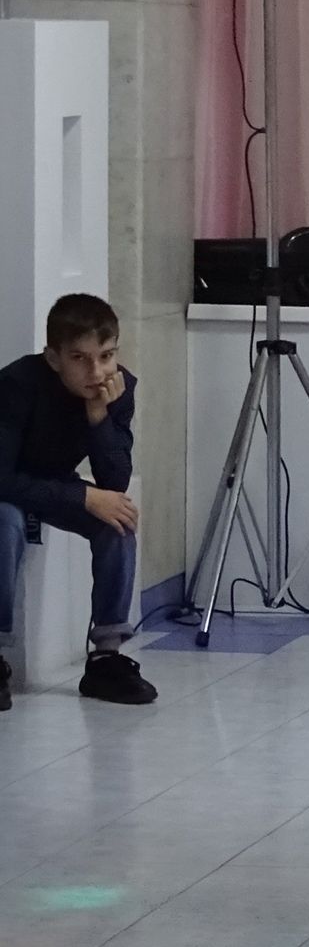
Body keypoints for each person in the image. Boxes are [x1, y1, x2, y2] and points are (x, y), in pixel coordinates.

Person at [0, 294, 156, 707]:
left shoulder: (118, 388)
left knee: (117, 521)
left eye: (106, 356)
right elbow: (2, 479)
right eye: (79, 358)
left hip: (53, 482)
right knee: (5, 522)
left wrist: (99, 417)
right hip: (7, 486)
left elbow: (115, 479)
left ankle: (107, 656)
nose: (97, 372)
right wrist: (82, 495)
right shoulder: (16, 384)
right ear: (53, 358)